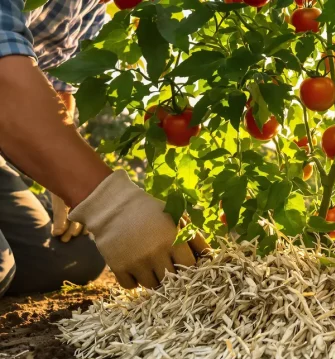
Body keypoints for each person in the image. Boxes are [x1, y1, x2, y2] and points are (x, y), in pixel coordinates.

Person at [0, 0, 206, 297]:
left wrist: (61, 182)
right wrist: (110, 205)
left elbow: (59, 86)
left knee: (73, 259)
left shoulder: (92, 8)